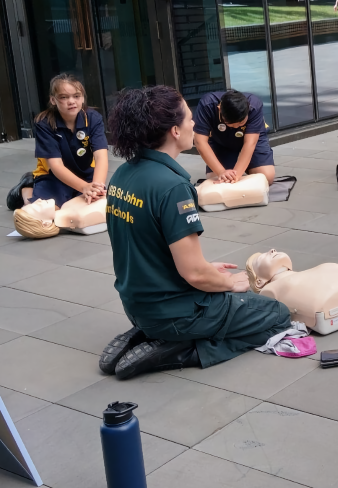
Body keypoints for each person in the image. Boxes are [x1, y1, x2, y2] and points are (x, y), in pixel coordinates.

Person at [98, 85, 292, 380]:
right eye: (189, 119)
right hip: (176, 313)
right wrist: (228, 284)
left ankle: (148, 333)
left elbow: (146, 247)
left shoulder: (123, 175)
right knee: (277, 315)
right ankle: (183, 350)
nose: (194, 124)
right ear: (175, 131)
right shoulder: (173, 187)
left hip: (135, 304)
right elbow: (195, 275)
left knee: (214, 291)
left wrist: (202, 269)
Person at [7, 73, 108, 210]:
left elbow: (101, 156)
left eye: (76, 96)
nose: (71, 101)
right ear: (53, 100)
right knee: (48, 211)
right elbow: (56, 166)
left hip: (85, 173)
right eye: (64, 97)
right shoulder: (44, 123)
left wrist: (97, 188)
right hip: (54, 176)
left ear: (83, 98)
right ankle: (26, 190)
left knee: (96, 206)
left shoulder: (93, 118)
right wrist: (84, 187)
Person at [193, 89, 275, 185]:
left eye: (241, 123)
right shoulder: (207, 104)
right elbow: (200, 142)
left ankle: (249, 166)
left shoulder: (254, 105)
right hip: (220, 141)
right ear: (219, 109)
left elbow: (250, 143)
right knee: (215, 179)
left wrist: (236, 174)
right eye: (231, 124)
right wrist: (221, 172)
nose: (236, 127)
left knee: (267, 177)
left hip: (251, 138)